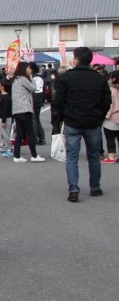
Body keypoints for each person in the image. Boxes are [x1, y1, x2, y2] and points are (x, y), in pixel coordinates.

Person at [51, 46, 111, 202]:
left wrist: (60, 118)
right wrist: (100, 117)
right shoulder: (99, 78)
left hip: (72, 121)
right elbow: (106, 101)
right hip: (93, 122)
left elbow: (58, 101)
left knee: (72, 157)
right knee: (93, 157)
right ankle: (95, 187)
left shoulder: (66, 77)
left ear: (76, 60)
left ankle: (73, 190)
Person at [11, 63, 44, 162]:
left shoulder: (16, 79)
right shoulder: (23, 78)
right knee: (30, 133)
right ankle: (34, 156)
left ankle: (17, 156)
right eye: (29, 68)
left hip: (17, 110)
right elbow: (33, 88)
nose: (30, 70)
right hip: (24, 109)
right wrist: (31, 77)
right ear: (24, 69)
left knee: (20, 133)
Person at [0, 80, 13, 157]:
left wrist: (3, 121)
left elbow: (5, 110)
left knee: (5, 134)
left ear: (2, 87)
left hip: (5, 119)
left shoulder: (7, 97)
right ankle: (0, 149)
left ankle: (9, 148)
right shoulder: (0, 96)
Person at [102, 71, 119, 164]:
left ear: (114, 79)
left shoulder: (111, 90)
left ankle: (111, 157)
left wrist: (105, 116)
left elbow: (110, 105)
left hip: (112, 118)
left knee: (110, 138)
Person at [29, 62, 47, 145]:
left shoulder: (31, 77)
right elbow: (44, 89)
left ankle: (35, 138)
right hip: (39, 99)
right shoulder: (41, 77)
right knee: (37, 119)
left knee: (33, 120)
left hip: (33, 98)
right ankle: (42, 137)